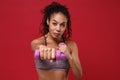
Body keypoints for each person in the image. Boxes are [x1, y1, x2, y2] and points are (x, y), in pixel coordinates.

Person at [31, 2, 82, 80]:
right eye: (54, 23)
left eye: (62, 25)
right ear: (48, 21)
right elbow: (35, 46)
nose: (58, 29)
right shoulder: (38, 43)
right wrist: (41, 48)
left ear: (66, 25)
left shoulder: (71, 45)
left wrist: (68, 55)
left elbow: (79, 74)